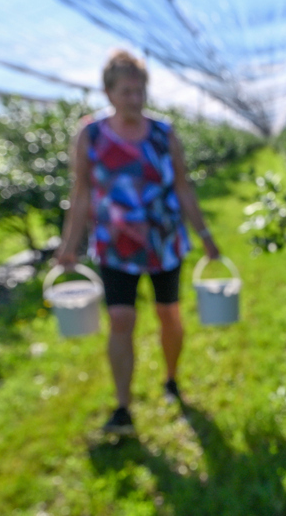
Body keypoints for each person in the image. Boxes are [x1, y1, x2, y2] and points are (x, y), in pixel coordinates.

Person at [54, 49, 219, 435]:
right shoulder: (91, 135)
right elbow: (81, 193)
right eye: (126, 91)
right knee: (121, 319)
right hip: (115, 247)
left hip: (164, 243)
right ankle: (124, 407)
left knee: (169, 314)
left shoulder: (164, 133)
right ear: (108, 92)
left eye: (139, 90)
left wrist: (206, 235)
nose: (134, 98)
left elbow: (183, 186)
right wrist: (68, 245)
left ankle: (172, 378)